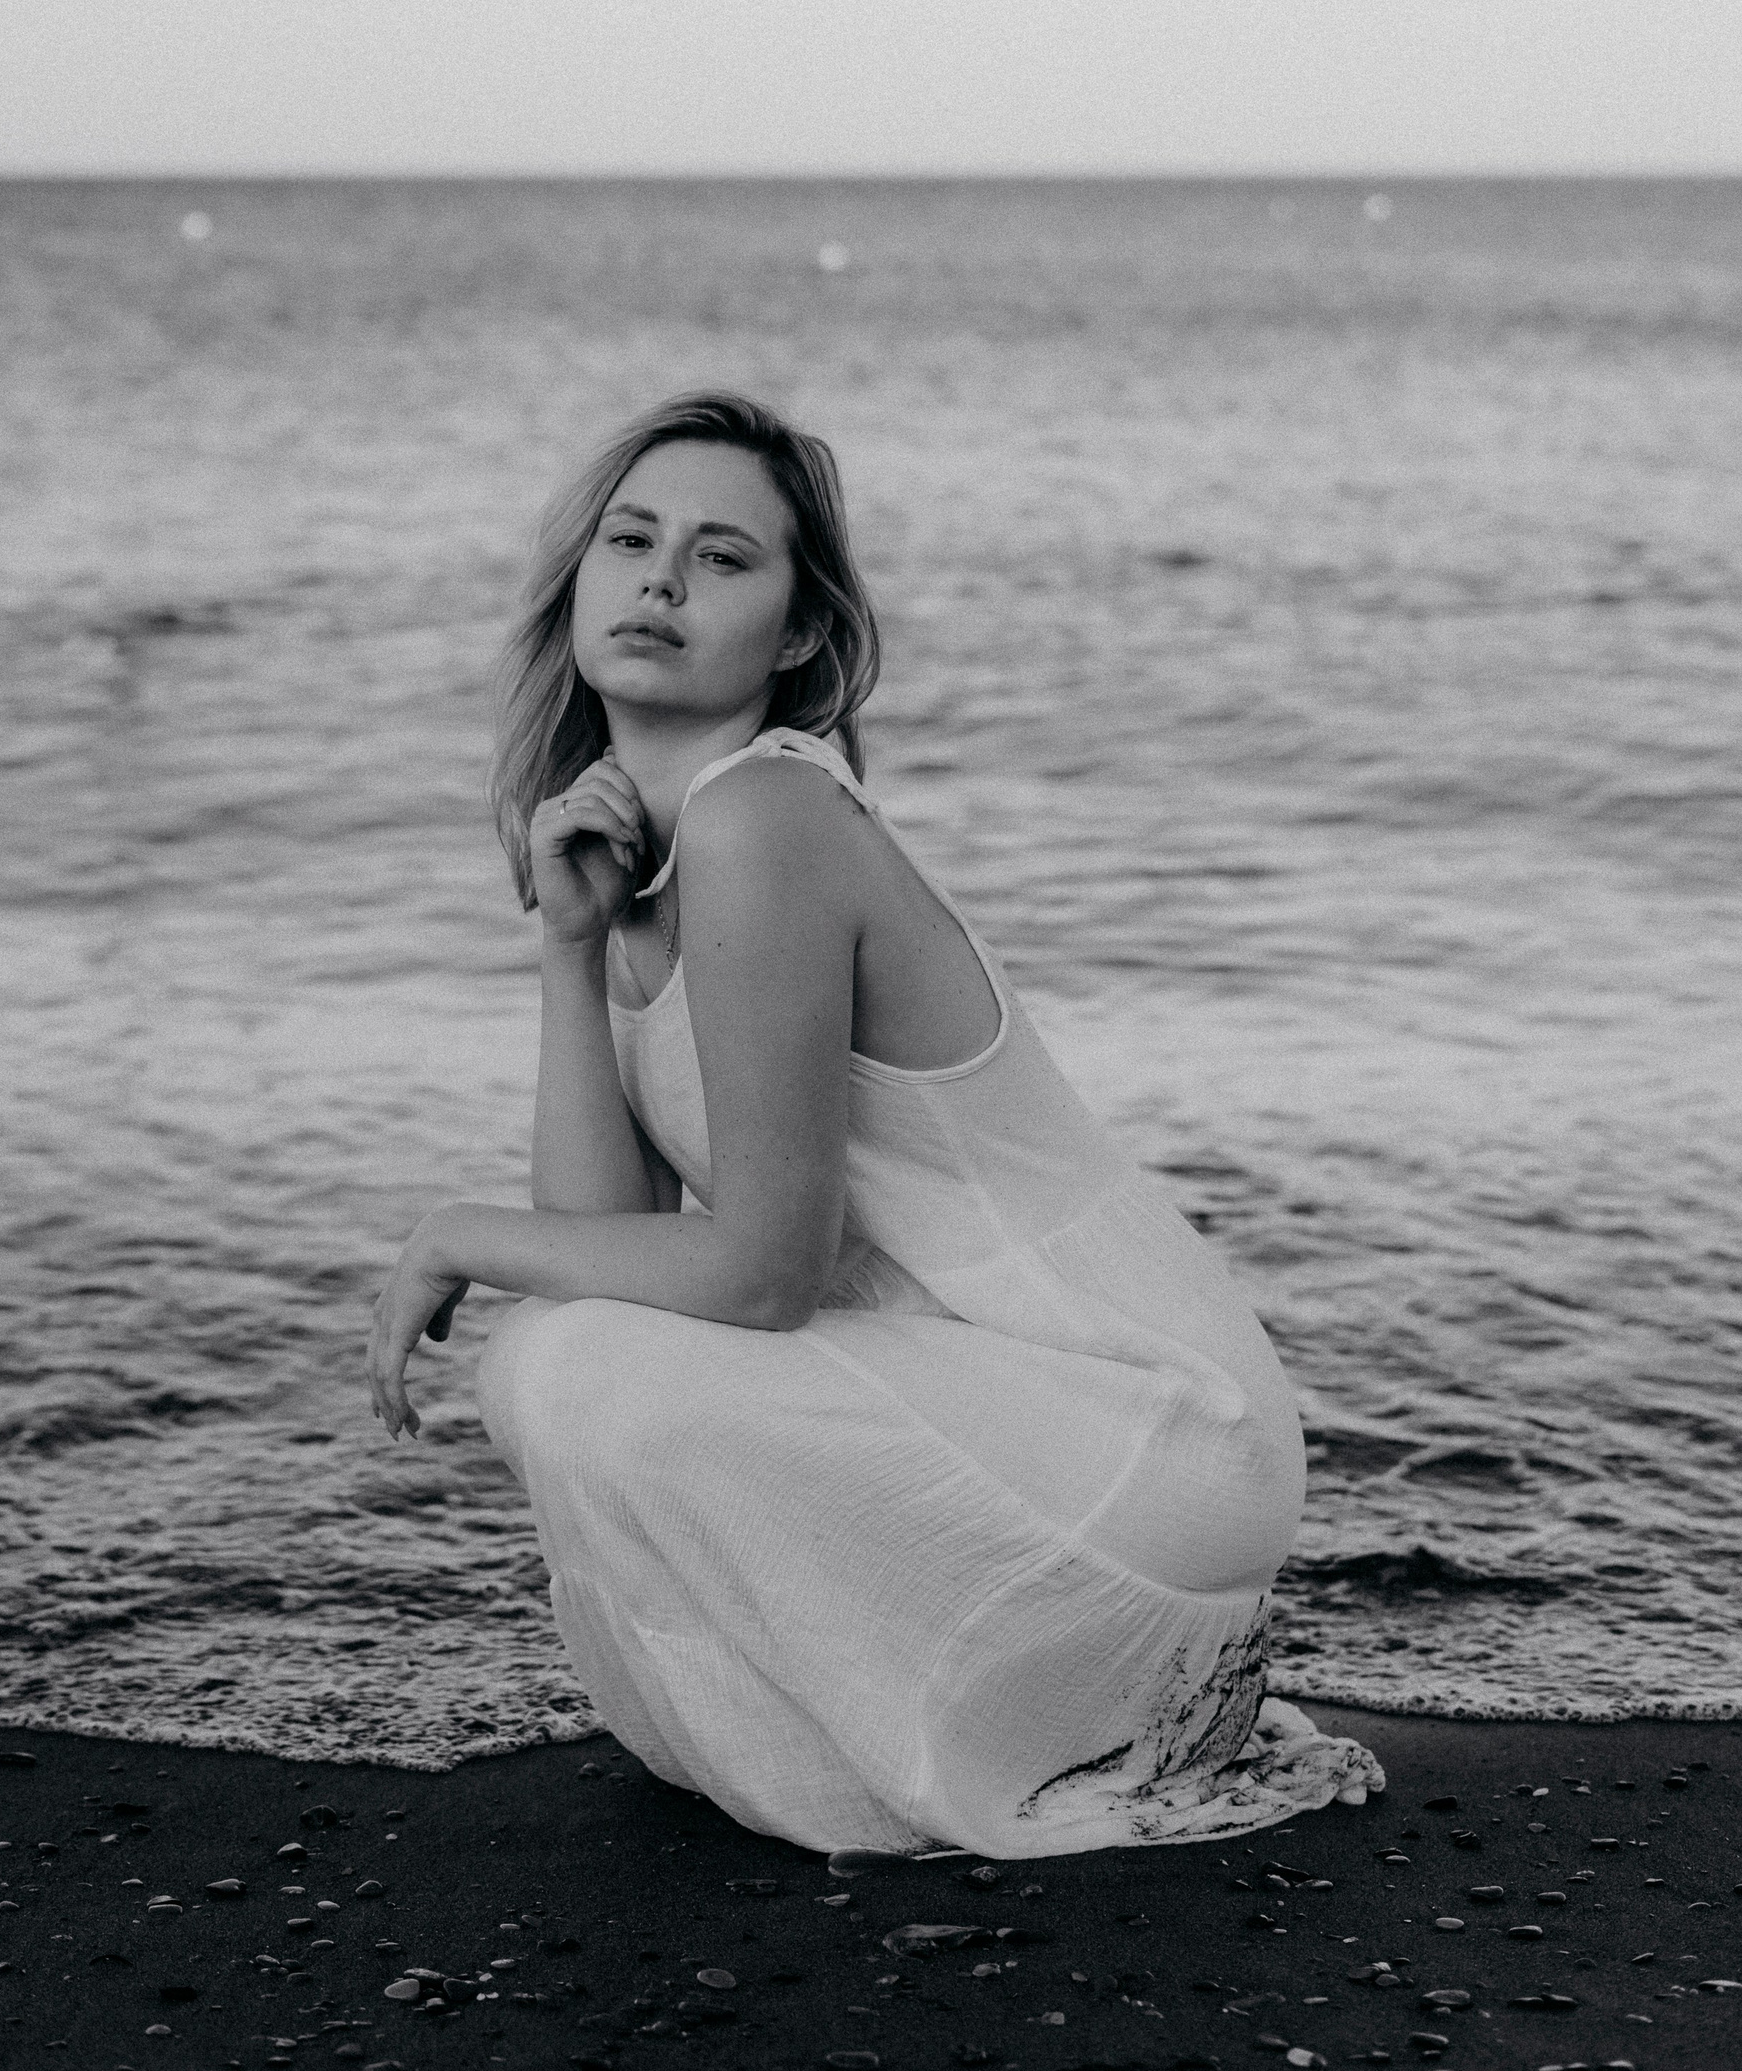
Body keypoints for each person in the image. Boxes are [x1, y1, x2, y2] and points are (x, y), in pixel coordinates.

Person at [367, 392, 1383, 1858]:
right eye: (632, 541)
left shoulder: (762, 819)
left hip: (1152, 1426)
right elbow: (613, 1246)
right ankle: (979, 1727)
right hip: (996, 1406)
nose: (662, 581)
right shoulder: (650, 859)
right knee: (560, 1350)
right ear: (577, 580)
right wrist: (573, 949)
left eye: (723, 557)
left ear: (798, 633)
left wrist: (458, 1233)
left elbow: (765, 1273)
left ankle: (989, 1742)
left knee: (569, 1363)